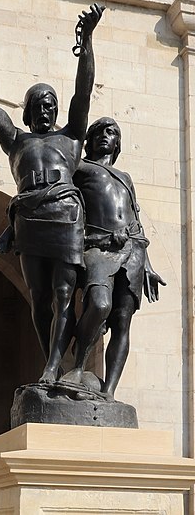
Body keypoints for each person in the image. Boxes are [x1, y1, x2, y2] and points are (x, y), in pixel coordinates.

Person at [0, 4, 104, 383]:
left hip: (65, 214)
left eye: (51, 105)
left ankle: (49, 370)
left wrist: (88, 39)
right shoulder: (16, 140)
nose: (46, 110)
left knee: (65, 292)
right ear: (28, 112)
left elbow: (84, 88)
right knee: (40, 298)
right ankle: (54, 362)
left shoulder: (72, 136)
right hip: (29, 218)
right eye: (38, 105)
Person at [62, 117, 166, 399]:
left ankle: (109, 391)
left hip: (132, 252)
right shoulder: (80, 168)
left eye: (112, 133)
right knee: (98, 303)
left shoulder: (126, 178)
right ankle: (79, 364)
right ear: (90, 140)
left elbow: (137, 223)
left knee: (122, 321)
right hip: (99, 247)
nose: (105, 136)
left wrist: (148, 265)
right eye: (99, 132)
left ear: (117, 142)